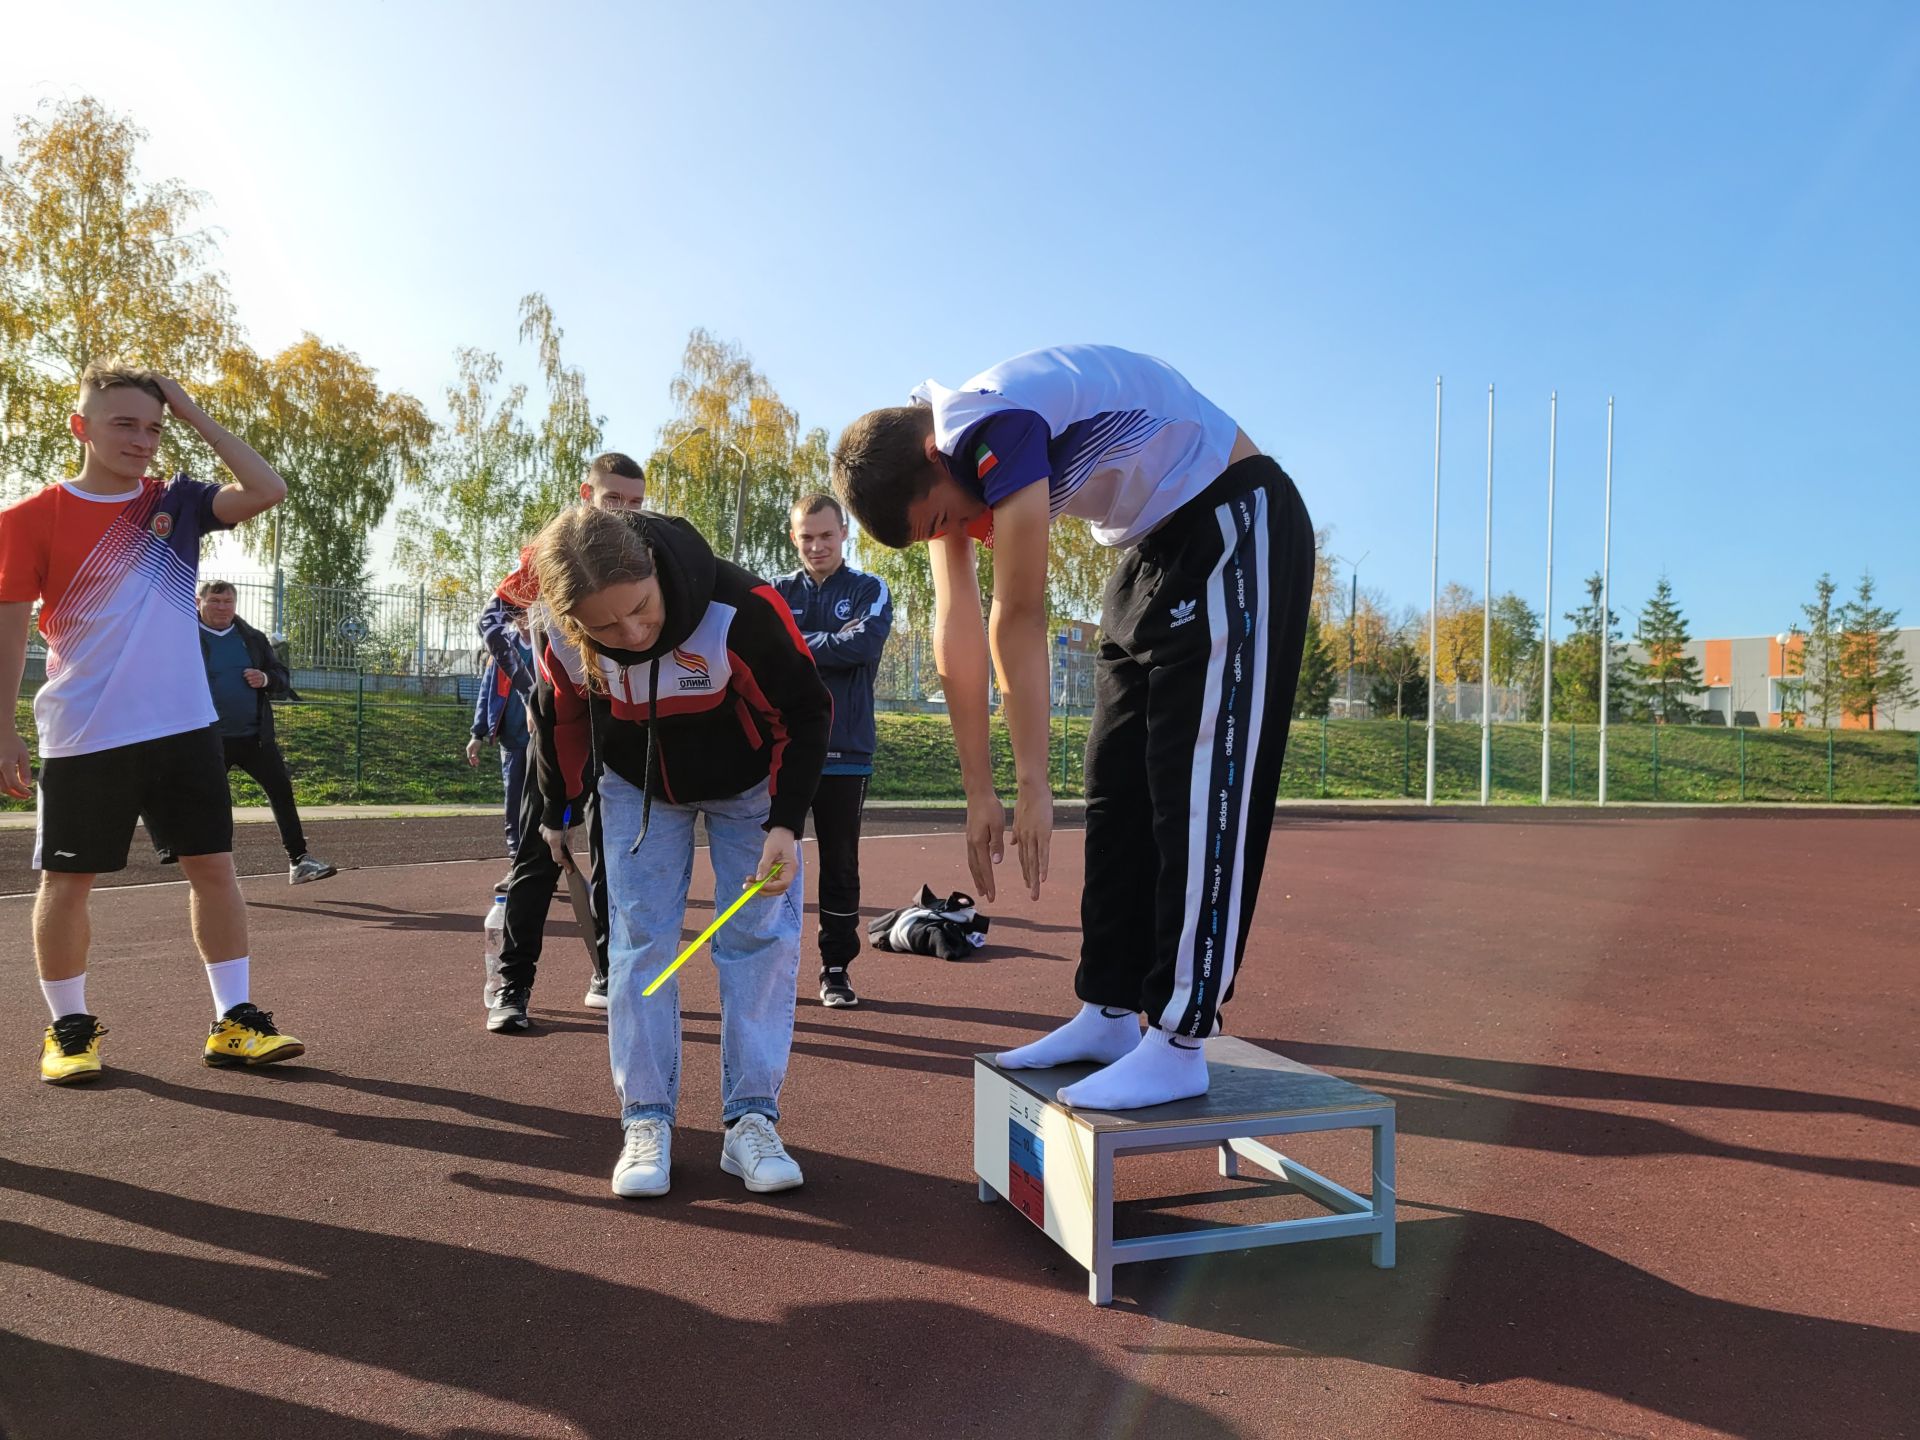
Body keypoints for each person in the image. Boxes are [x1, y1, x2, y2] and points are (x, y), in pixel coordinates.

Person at [832, 344, 1315, 1111]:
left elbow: (1018, 613)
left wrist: (1030, 783)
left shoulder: (994, 430)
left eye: (949, 519)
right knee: (1116, 786)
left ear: (934, 455)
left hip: (1230, 517)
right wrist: (979, 792)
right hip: (1148, 544)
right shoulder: (934, 454)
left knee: (1196, 787)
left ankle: (1182, 1038)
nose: (965, 531)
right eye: (943, 531)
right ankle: (1110, 1012)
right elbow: (956, 628)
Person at [0, 366, 306, 1085]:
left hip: (184, 726)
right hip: (84, 730)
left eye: (153, 427)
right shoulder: (26, 520)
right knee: (68, 882)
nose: (142, 440)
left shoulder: (179, 503)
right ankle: (68, 1030)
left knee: (214, 870)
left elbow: (267, 489)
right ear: (81, 427)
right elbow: (10, 636)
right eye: (123, 424)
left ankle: (235, 1021)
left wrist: (194, 412)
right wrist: (3, 729)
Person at [529, 505, 831, 1199]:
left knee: (759, 938)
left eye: (640, 610)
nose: (630, 635)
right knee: (639, 946)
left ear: (654, 572)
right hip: (639, 790)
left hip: (750, 788)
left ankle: (751, 1120)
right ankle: (646, 1120)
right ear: (570, 619)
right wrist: (560, 811)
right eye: (603, 627)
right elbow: (563, 718)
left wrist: (786, 824)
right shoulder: (556, 630)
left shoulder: (741, 607)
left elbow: (807, 712)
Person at [475, 451, 645, 1029]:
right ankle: (513, 987)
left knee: (613, 853)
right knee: (540, 849)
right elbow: (494, 616)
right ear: (586, 493)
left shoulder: (646, 550)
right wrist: (530, 682)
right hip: (557, 709)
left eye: (635, 501)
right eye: (613, 499)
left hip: (623, 724)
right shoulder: (549, 551)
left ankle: (607, 971)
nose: (624, 511)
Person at [772, 493, 892, 1008]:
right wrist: (825, 642)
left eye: (826, 535)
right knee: (773, 861)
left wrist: (798, 644)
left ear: (844, 533)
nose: (817, 545)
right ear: (793, 537)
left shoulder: (870, 588)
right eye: (806, 537)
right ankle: (768, 966)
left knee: (840, 865)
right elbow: (764, 653)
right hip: (784, 752)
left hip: (847, 753)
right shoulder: (774, 592)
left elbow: (862, 645)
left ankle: (836, 969)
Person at [182, 580, 336, 885]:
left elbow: (281, 676)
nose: (222, 608)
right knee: (211, 804)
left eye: (228, 602)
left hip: (255, 737)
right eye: (215, 601)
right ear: (199, 601)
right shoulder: (184, 637)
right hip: (208, 739)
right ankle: (213, 873)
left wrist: (265, 678)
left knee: (281, 790)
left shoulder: (251, 637)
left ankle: (300, 861)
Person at [467, 617, 533, 893]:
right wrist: (477, 734)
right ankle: (518, 866)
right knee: (514, 805)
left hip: (546, 739)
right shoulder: (501, 647)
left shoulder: (553, 643)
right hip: (513, 739)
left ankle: (545, 867)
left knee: (544, 805)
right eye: (516, 610)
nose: (522, 616)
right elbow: (487, 691)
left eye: (527, 608)